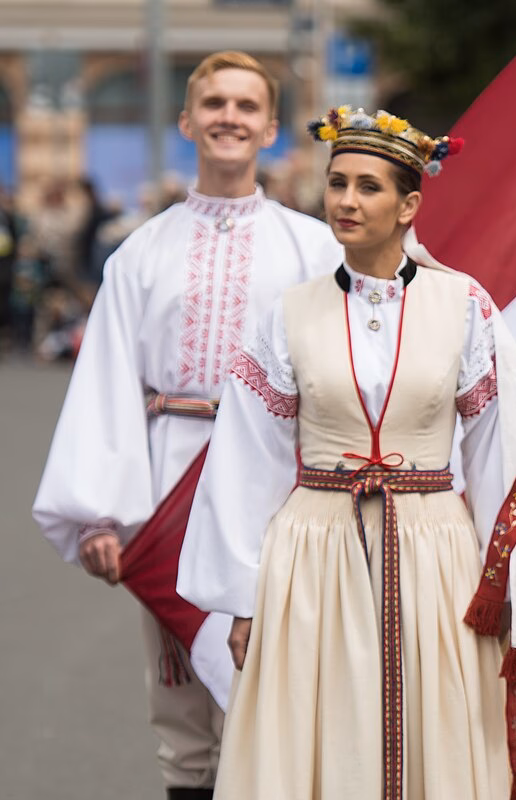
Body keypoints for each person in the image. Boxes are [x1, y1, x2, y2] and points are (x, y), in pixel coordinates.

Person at [177, 107, 516, 800]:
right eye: (337, 183)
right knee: (319, 731)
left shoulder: (465, 305)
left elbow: (498, 449)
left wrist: (509, 574)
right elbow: (246, 458)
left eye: (368, 187)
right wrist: (242, 600)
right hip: (314, 551)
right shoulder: (288, 312)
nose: (347, 201)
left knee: (436, 732)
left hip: (434, 551)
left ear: (409, 203)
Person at [32, 51, 343, 800]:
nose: (229, 118)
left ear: (270, 127)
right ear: (188, 121)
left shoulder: (313, 246)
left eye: (246, 106)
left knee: (282, 689)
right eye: (214, 105)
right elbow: (106, 380)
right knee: (182, 712)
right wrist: (99, 510)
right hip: (170, 484)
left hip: (280, 486)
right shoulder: (142, 252)